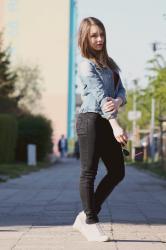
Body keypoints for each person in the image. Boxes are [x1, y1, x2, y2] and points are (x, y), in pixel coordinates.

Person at [73, 17, 128, 242]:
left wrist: (119, 102)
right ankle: (91, 222)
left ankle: (85, 216)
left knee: (117, 171)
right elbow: (100, 97)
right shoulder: (86, 64)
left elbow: (121, 91)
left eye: (102, 34)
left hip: (106, 120)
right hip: (91, 120)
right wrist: (116, 125)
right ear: (85, 38)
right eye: (94, 35)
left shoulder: (110, 63)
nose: (99, 39)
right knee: (89, 172)